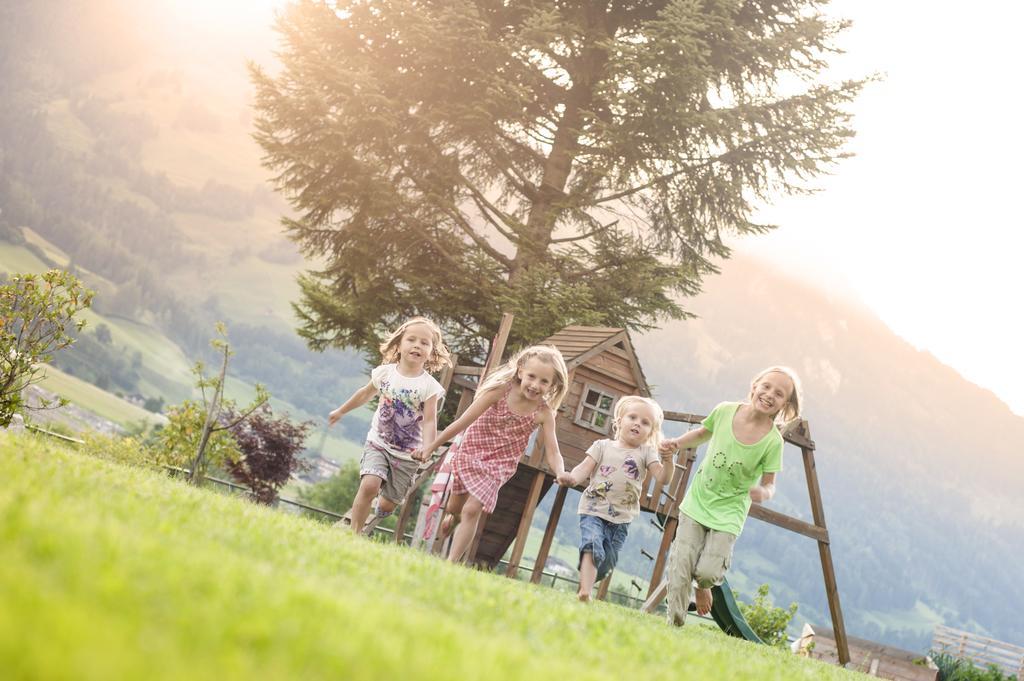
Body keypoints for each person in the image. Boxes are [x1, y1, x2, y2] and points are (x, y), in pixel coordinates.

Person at [659, 366, 802, 626]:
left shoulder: (773, 442)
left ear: (785, 405)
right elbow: (702, 434)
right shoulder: (725, 411)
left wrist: (763, 492)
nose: (770, 395)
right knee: (680, 568)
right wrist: (677, 443)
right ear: (754, 385)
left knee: (707, 572)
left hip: (729, 513)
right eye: (766, 386)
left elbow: (771, 484)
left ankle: (703, 585)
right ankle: (674, 625)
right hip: (697, 501)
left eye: (779, 394)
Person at [416, 345, 570, 563]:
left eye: (544, 381)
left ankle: (450, 562)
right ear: (520, 372)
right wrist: (430, 447)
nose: (536, 385)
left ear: (552, 385)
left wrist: (561, 472)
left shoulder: (544, 413)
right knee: (456, 507)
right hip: (472, 451)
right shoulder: (500, 391)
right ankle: (454, 516)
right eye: (532, 377)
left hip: (499, 465)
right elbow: (463, 422)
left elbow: (553, 452)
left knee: (473, 509)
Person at [328, 317, 451, 533]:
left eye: (424, 342)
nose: (417, 345)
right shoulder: (385, 373)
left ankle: (383, 507)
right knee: (369, 485)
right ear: (399, 344)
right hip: (378, 443)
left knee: (386, 504)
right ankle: (354, 535)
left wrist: (428, 447)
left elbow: (431, 420)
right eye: (411, 339)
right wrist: (341, 411)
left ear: (432, 351)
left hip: (408, 455)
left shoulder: (429, 386)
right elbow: (365, 393)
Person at [561, 395, 670, 602]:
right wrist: (572, 478)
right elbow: (584, 468)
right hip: (593, 509)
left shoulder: (646, 453)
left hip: (621, 519)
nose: (638, 423)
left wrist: (669, 461)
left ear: (650, 433)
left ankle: (591, 578)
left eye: (645, 422)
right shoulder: (601, 446)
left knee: (607, 561)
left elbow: (663, 478)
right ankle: (585, 592)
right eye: (633, 417)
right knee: (592, 543)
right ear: (620, 421)